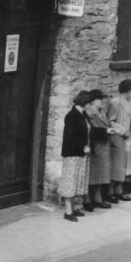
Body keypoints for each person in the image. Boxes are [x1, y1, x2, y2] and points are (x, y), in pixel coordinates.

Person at [57, 90, 93, 222]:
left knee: (77, 181)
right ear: (85, 103)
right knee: (70, 182)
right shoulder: (72, 116)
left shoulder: (82, 115)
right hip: (73, 154)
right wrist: (82, 147)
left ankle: (73, 208)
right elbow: (69, 136)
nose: (90, 106)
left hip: (81, 154)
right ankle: (68, 211)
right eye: (90, 103)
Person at [106, 77, 131, 203]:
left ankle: (119, 190)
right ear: (129, 90)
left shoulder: (130, 103)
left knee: (125, 165)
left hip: (127, 139)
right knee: (116, 165)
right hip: (117, 137)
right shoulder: (115, 102)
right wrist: (122, 130)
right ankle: (110, 192)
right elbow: (110, 120)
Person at [84, 89, 113, 211]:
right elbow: (91, 130)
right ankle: (87, 199)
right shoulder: (89, 113)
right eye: (99, 101)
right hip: (95, 146)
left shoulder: (102, 111)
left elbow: (106, 124)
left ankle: (98, 198)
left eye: (102, 100)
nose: (102, 103)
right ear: (92, 102)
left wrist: (112, 128)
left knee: (100, 174)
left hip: (104, 145)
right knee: (91, 175)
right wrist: (106, 131)